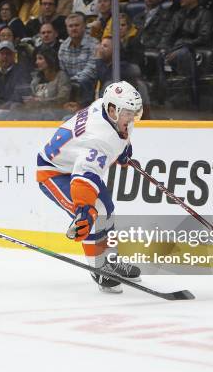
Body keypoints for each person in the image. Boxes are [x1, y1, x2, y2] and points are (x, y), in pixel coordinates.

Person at [36, 81, 143, 293]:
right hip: (55, 172)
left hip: (74, 163)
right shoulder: (98, 138)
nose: (131, 118)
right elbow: (84, 175)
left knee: (107, 208)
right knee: (94, 214)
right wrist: (83, 210)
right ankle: (99, 269)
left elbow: (119, 137)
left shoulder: (108, 108)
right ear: (113, 110)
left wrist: (122, 151)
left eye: (135, 113)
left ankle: (111, 260)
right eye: (128, 113)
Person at [59, 13, 98, 105]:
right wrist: (66, 82)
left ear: (84, 26)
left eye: (77, 25)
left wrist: (72, 81)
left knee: (84, 82)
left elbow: (91, 70)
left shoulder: (94, 44)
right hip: (69, 84)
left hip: (88, 83)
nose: (73, 28)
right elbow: (62, 71)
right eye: (70, 26)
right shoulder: (63, 47)